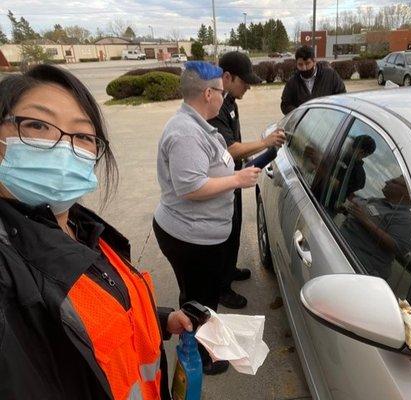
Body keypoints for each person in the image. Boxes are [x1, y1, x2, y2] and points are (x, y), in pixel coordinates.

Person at [0, 64, 193, 399]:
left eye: (83, 136)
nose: (63, 146)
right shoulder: (8, 274)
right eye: (38, 125)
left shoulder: (81, 226)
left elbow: (87, 325)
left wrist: (160, 321)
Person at [152, 61, 261, 375]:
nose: (224, 98)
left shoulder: (200, 123)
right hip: (189, 237)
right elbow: (191, 187)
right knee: (198, 298)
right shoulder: (185, 132)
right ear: (208, 93)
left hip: (202, 233)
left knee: (203, 293)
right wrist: (237, 180)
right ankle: (199, 354)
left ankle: (201, 341)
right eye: (221, 93)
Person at [207, 51, 286, 309]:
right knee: (222, 235)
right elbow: (229, 149)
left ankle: (228, 271)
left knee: (235, 228)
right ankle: (220, 288)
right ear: (227, 77)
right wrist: (264, 143)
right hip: (221, 182)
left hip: (234, 177)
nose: (249, 86)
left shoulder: (230, 102)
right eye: (245, 81)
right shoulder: (215, 107)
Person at [340, 176, 411, 280]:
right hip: (341, 249)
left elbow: (398, 247)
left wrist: (365, 221)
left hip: (357, 270)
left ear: (405, 193)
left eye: (393, 182)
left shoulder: (406, 219)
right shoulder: (378, 201)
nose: (387, 181)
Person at [281, 45, 346, 115]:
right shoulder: (292, 83)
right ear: (296, 64)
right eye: (300, 64)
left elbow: (342, 96)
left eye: (307, 63)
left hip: (328, 121)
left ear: (314, 61)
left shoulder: (330, 75)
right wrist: (299, 114)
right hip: (303, 123)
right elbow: (285, 105)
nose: (304, 68)